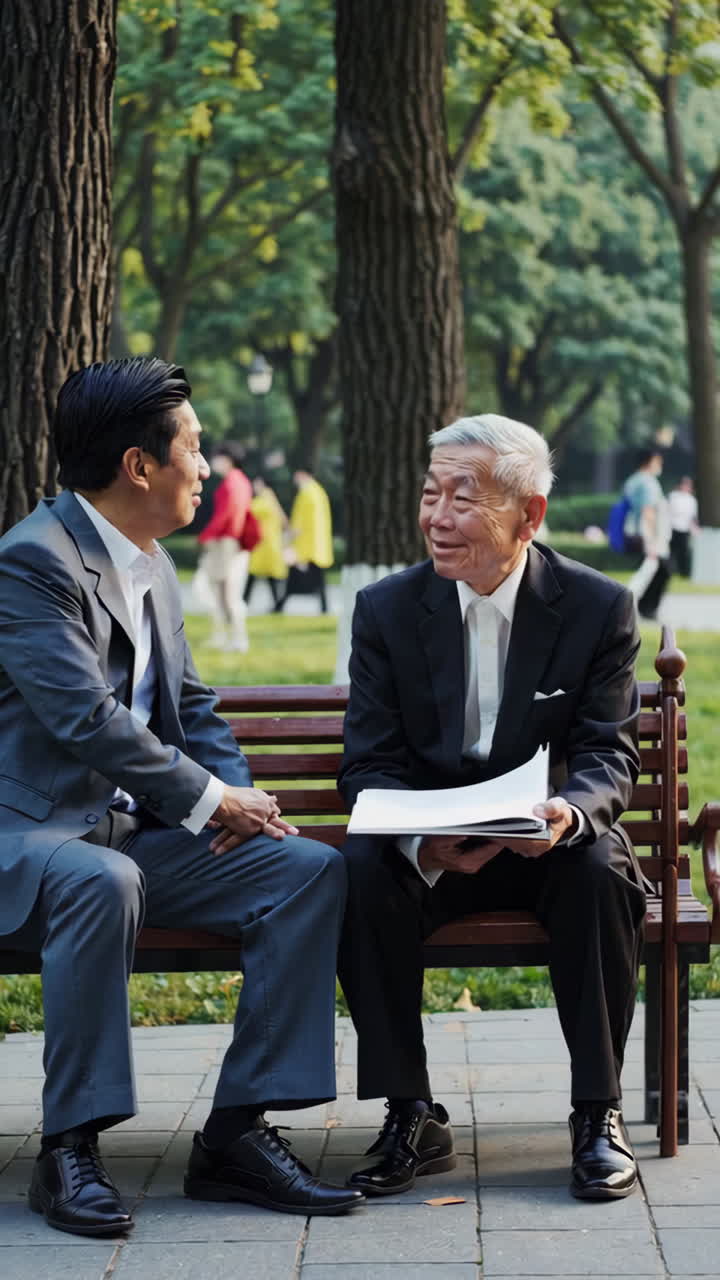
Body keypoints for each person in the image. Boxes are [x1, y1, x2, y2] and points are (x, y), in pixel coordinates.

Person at [0, 357, 364, 1238]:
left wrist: (240, 801)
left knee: (305, 869)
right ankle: (71, 1149)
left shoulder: (153, 565)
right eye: (193, 448)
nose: (205, 467)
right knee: (101, 881)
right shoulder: (31, 562)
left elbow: (191, 708)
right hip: (32, 837)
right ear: (139, 465)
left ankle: (238, 1134)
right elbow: (85, 718)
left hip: (127, 834)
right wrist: (208, 801)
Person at [338, 414, 645, 1203]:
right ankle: (409, 1111)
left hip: (546, 848)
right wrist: (421, 840)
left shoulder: (595, 607)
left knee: (603, 867)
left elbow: (609, 753)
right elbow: (368, 763)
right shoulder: (387, 609)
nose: (437, 518)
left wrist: (570, 815)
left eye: (463, 499)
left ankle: (595, 1114)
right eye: (431, 493)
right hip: (439, 853)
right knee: (360, 870)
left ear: (529, 516)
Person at [197, 442, 253, 650]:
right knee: (223, 594)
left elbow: (226, 516)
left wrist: (205, 536)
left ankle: (237, 639)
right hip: (231, 543)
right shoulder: (240, 481)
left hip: (226, 543)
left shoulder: (232, 482)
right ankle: (225, 637)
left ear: (227, 459)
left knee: (226, 594)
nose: (212, 462)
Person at [275, 467, 334, 614]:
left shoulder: (307, 493)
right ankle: (280, 605)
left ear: (302, 475)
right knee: (310, 578)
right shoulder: (319, 491)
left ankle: (280, 605)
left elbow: (299, 521)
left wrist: (289, 538)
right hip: (317, 543)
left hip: (307, 544)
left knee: (304, 577)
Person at [623, 448, 671, 621]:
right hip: (648, 536)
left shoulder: (633, 480)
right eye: (658, 462)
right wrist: (651, 541)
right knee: (659, 571)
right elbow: (647, 511)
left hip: (637, 533)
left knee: (653, 570)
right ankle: (642, 607)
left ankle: (643, 607)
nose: (661, 465)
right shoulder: (647, 482)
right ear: (649, 462)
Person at [243, 475, 288, 609]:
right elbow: (283, 519)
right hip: (269, 543)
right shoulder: (270, 498)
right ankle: (276, 605)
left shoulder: (265, 498)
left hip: (265, 544)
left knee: (255, 573)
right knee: (267, 575)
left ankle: (245, 601)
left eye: (256, 484)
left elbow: (249, 509)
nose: (254, 486)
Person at [668, 476, 699, 579]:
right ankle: (669, 572)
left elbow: (692, 517)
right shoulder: (673, 496)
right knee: (670, 552)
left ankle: (684, 573)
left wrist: (695, 528)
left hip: (684, 529)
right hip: (672, 528)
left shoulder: (692, 500)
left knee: (684, 552)